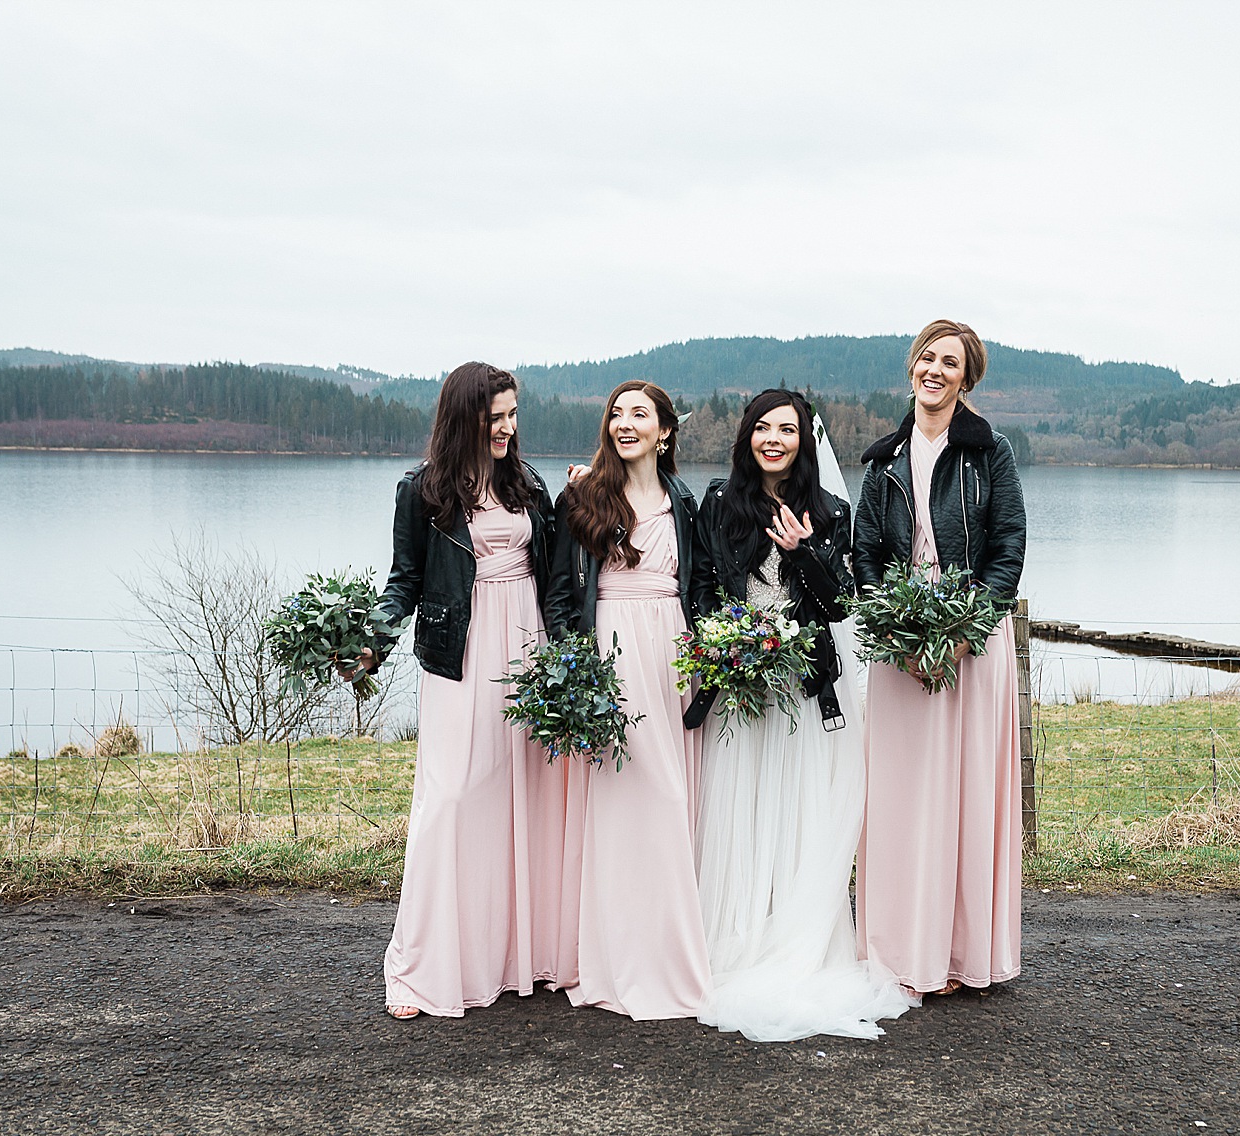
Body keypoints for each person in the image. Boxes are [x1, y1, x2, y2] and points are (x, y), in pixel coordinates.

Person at [691, 389, 917, 1041]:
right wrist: (729, 640)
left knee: (799, 811)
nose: (773, 439)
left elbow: (840, 606)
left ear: (803, 441)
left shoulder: (831, 510)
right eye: (761, 428)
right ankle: (736, 935)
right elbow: (703, 585)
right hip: (743, 679)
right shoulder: (717, 503)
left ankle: (796, 941)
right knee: (742, 808)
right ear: (746, 437)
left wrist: (803, 553)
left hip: (804, 683)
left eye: (785, 430)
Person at [354, 361, 568, 1020]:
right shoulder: (422, 492)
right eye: (494, 417)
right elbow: (404, 581)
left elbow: (557, 570)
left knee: (519, 797)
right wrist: (371, 641)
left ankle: (511, 957)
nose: (506, 428)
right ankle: (425, 967)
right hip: (462, 654)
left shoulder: (528, 484)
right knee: (452, 797)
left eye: (512, 416)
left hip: (527, 644)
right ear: (463, 418)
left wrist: (569, 654)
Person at [852, 320, 1027, 997]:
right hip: (900, 646)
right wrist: (898, 633)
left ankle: (958, 956)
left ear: (967, 378)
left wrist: (962, 632)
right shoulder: (883, 461)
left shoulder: (991, 453)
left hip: (973, 642)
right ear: (911, 368)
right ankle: (898, 951)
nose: (935, 369)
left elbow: (1006, 545)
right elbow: (866, 554)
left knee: (963, 793)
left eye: (949, 362)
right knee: (900, 795)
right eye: (927, 357)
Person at [546, 380, 714, 1020]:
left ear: (665, 431)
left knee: (671, 803)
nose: (624, 423)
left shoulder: (683, 501)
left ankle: (672, 961)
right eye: (616, 414)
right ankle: (616, 964)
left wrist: (709, 663)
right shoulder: (584, 497)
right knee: (621, 808)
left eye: (639, 415)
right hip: (611, 657)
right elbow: (561, 594)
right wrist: (577, 672)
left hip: (671, 655)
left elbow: (698, 586)